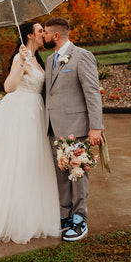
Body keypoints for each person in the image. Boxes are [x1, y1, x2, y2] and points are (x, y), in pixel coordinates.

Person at [0, 22, 60, 244]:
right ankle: (13, 218)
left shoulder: (37, 59)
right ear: (29, 35)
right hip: (21, 114)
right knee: (18, 161)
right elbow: (9, 87)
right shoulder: (22, 58)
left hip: (36, 113)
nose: (43, 34)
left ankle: (34, 215)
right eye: (39, 31)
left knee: (34, 162)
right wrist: (20, 63)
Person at [43, 17, 104, 242]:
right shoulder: (49, 60)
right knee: (61, 175)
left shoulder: (82, 56)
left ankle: (80, 220)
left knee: (78, 174)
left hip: (76, 127)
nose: (44, 37)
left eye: (46, 33)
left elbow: (92, 93)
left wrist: (96, 127)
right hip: (53, 128)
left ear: (56, 36)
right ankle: (66, 215)